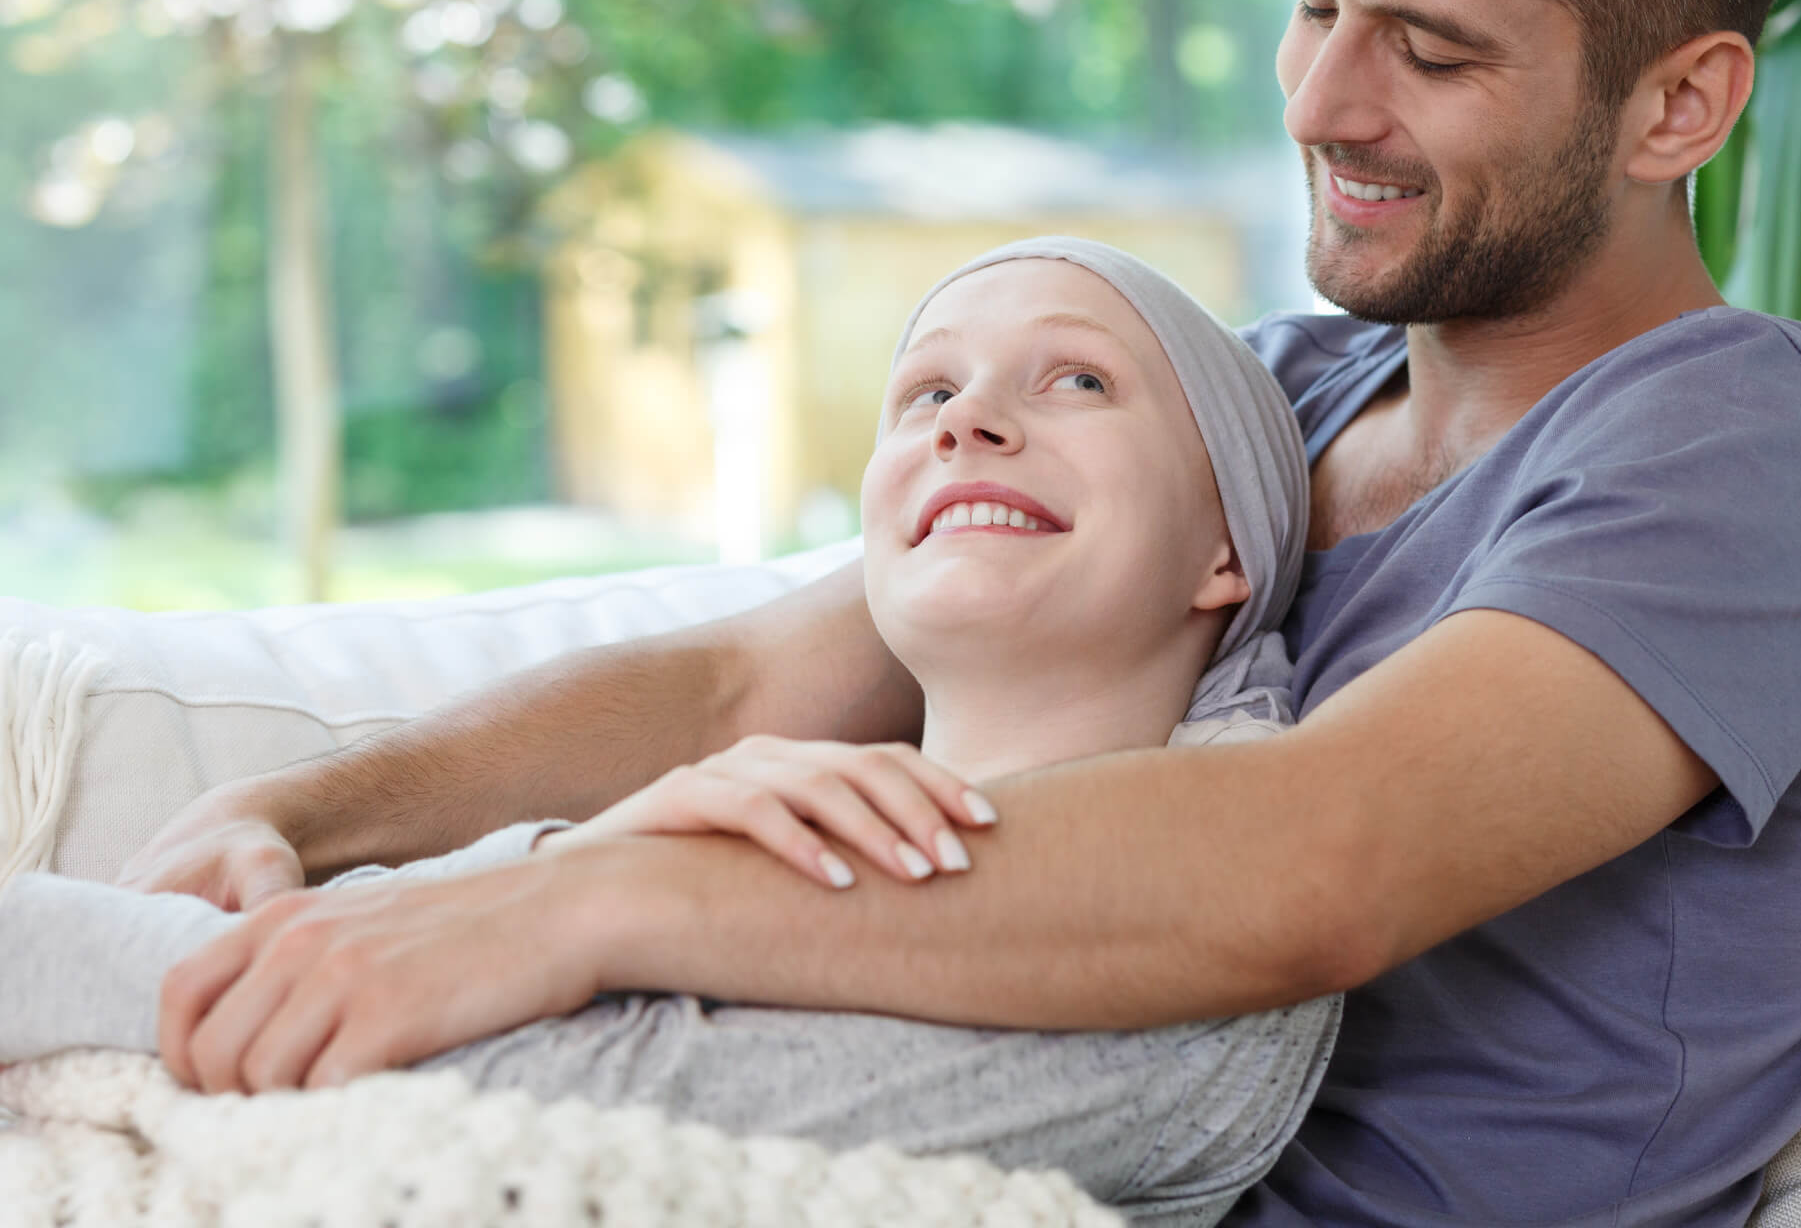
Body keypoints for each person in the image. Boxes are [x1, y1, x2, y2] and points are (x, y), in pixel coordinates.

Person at [110, 0, 1801, 1223]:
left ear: (1680, 105)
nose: (1319, 98)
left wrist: (589, 902)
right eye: (1307, 4)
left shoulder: (1741, 446)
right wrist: (300, 812)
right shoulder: (1275, 391)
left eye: (1429, 54)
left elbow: (1315, 863)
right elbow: (752, 687)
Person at [0, 239, 1339, 1226]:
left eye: (1079, 382)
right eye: (924, 393)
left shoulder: (1198, 982)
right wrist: (582, 859)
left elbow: (531, 1088)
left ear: (1226, 546)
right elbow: (353, 967)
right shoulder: (737, 806)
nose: (967, 422)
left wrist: (575, 893)